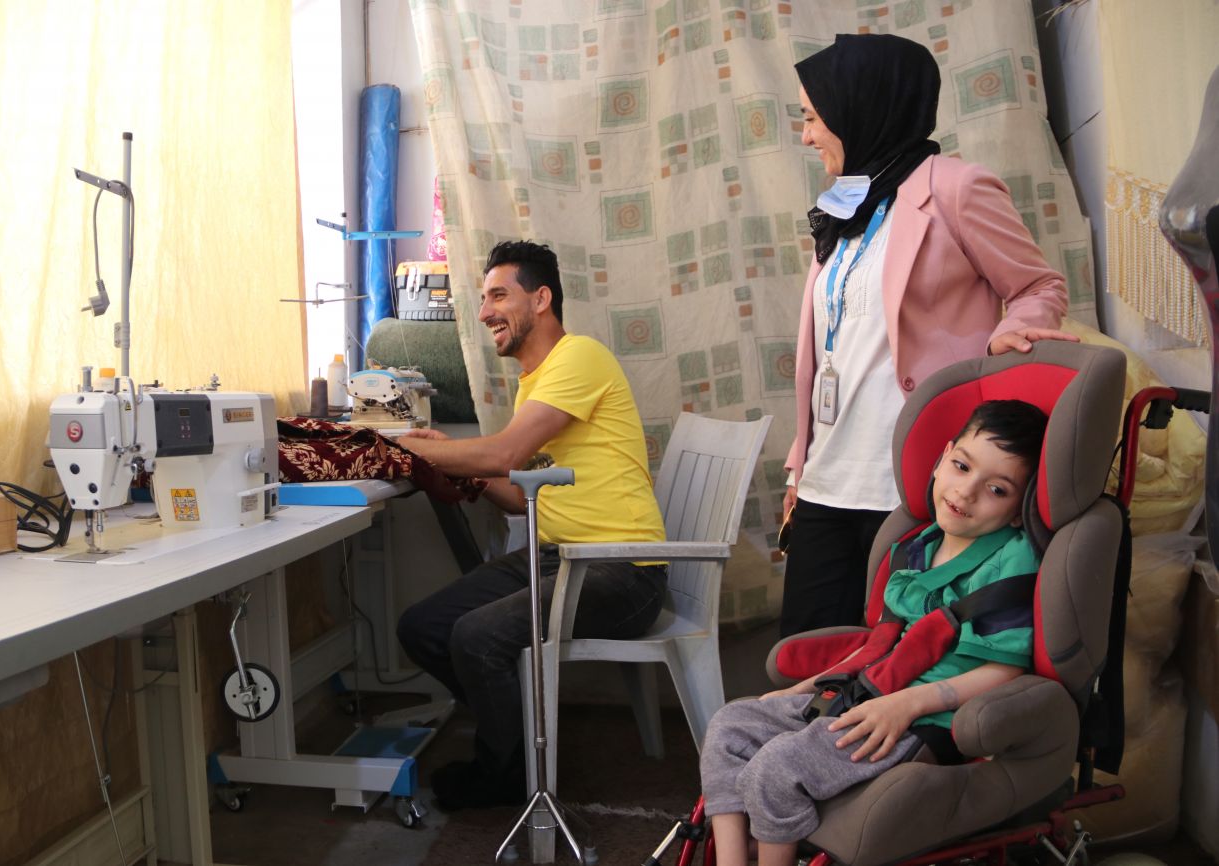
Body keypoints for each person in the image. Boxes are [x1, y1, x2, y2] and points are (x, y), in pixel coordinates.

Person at [778, 33, 1076, 640]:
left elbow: (1038, 286)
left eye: (812, 117)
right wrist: (798, 468)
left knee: (891, 664)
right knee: (806, 659)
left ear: (863, 104)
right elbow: (832, 349)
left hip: (914, 482)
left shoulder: (955, 188)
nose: (806, 135)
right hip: (826, 483)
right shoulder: (844, 208)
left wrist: (1010, 335)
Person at [703, 399, 1048, 866]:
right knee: (728, 725)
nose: (965, 493)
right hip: (862, 694)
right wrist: (811, 686)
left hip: (925, 720)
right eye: (961, 466)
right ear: (941, 457)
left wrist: (909, 703)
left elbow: (1005, 668)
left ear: (1016, 510)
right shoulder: (914, 545)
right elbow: (880, 644)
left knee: (777, 767)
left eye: (996, 489)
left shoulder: (1011, 559)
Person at [394, 240, 668, 810]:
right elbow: (522, 498)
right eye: (484, 298)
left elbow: (504, 455)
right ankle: (518, 742)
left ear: (541, 299)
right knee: (423, 627)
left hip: (623, 570)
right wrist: (450, 458)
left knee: (477, 636)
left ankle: (504, 773)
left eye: (499, 295)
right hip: (560, 555)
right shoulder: (536, 379)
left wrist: (398, 452)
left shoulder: (580, 357)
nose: (485, 311)